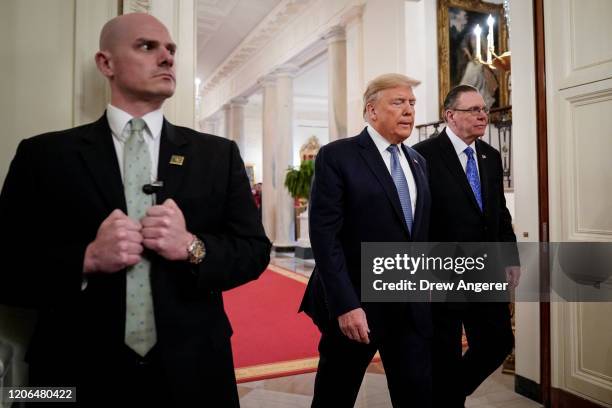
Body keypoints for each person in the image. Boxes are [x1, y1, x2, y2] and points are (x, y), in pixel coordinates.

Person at [0, 13, 270, 406]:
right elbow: (5, 264)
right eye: (147, 46)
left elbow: (255, 251)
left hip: (195, 370)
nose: (167, 58)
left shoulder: (218, 155)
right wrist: (86, 259)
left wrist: (193, 246)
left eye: (171, 50)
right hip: (70, 373)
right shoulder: (43, 155)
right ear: (105, 64)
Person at [300, 73, 433, 407]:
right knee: (335, 396)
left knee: (416, 395)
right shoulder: (337, 156)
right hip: (357, 307)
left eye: (412, 103)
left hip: (408, 304)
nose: (409, 111)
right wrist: (346, 305)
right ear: (371, 111)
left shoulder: (418, 162)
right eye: (398, 102)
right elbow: (325, 236)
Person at [413, 84, 520, 408]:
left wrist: (510, 257)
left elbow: (499, 212)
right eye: (473, 110)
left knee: (498, 342)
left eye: (483, 109)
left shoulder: (488, 156)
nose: (482, 115)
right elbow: (417, 220)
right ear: (450, 116)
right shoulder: (424, 156)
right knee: (443, 352)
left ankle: (445, 394)